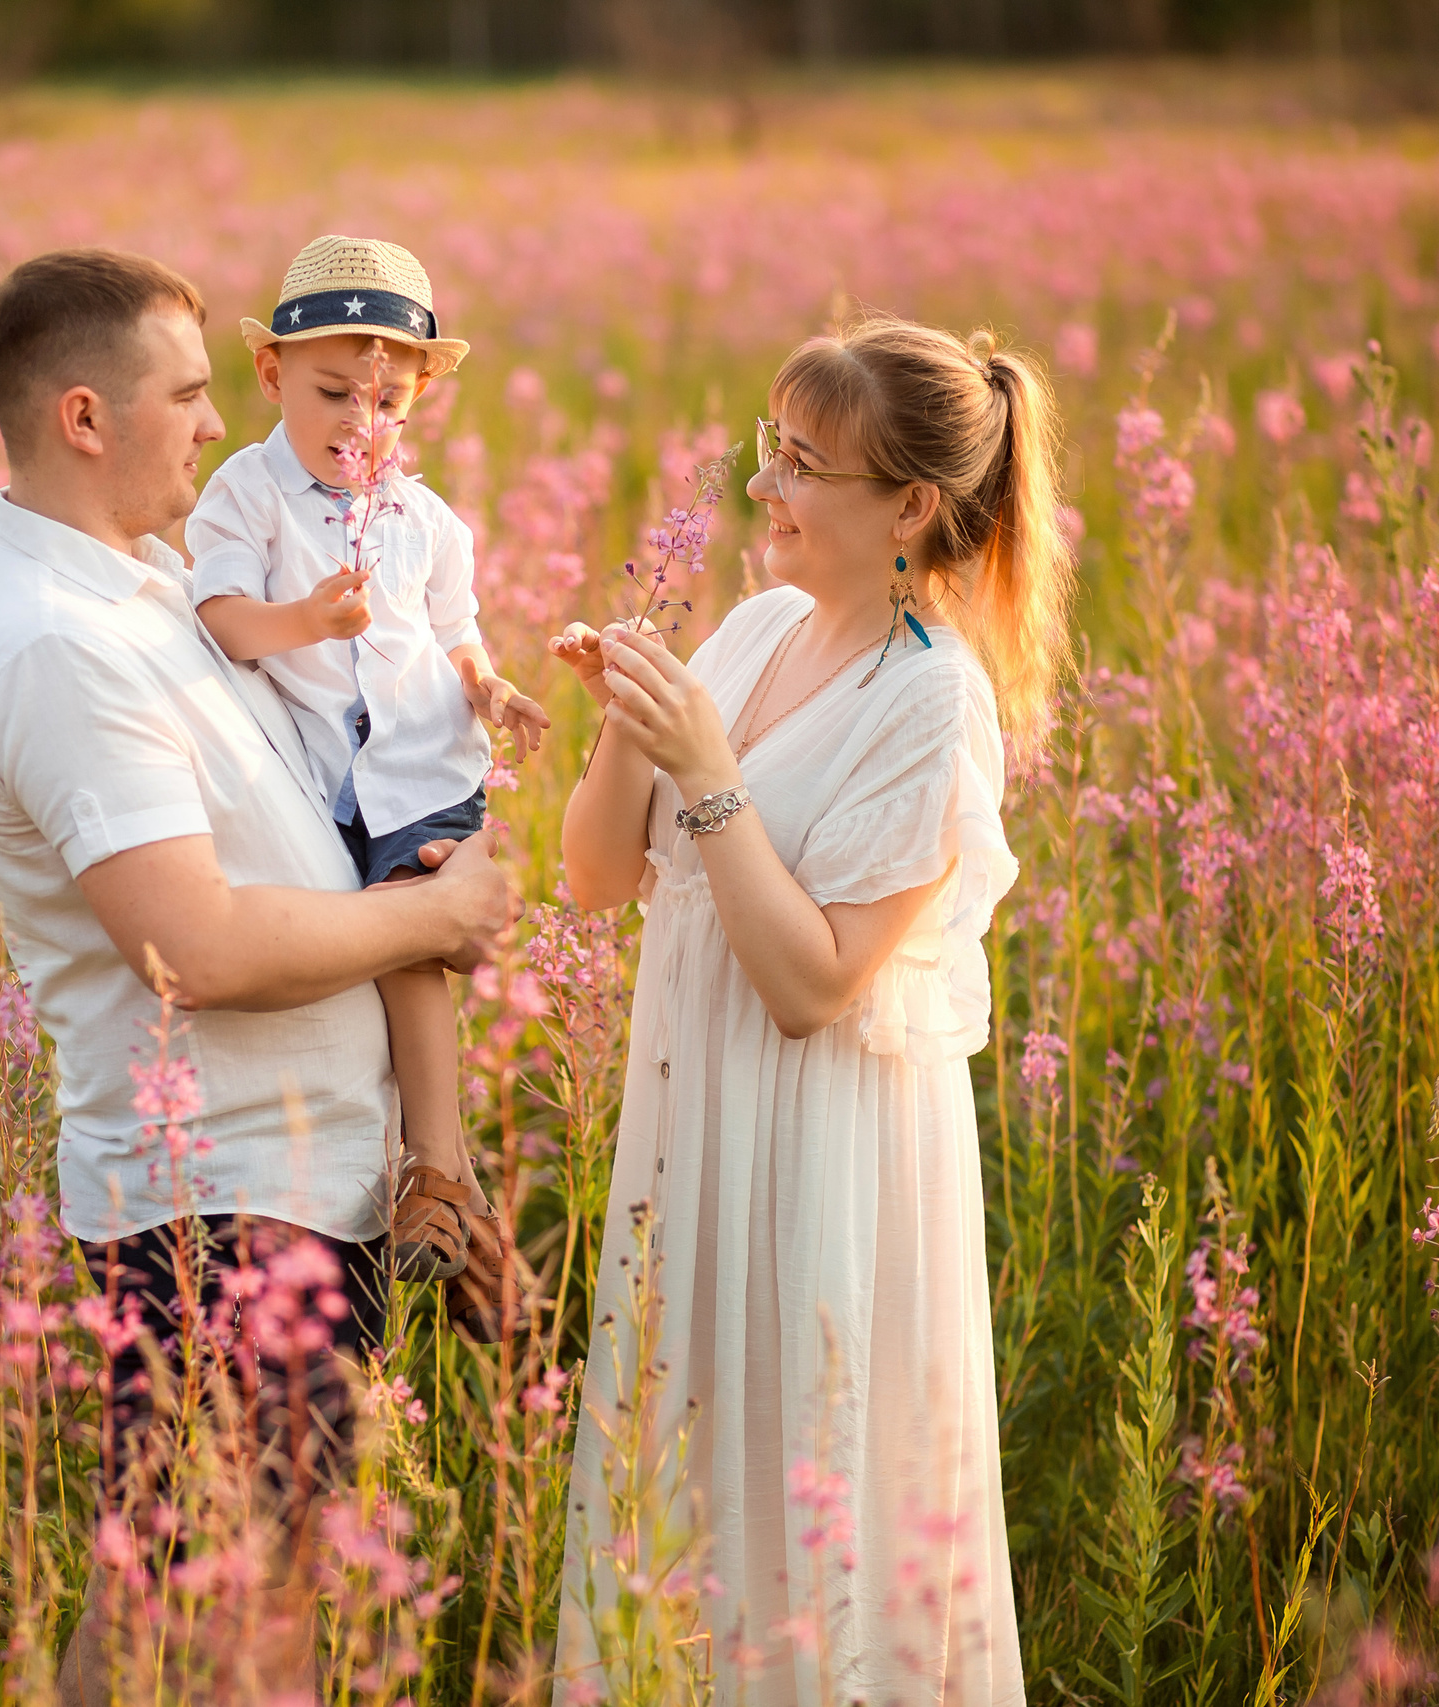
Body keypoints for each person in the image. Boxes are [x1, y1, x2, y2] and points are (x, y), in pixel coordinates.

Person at [0, 247, 519, 1705]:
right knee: (226, 1622)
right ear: (84, 417)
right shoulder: (63, 645)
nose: (216, 424)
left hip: (285, 1185)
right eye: (190, 394)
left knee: (192, 1600)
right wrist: (438, 921)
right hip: (215, 1209)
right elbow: (188, 947)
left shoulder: (143, 586)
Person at [545, 314, 1073, 1706]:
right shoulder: (758, 627)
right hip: (693, 1144)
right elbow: (592, 879)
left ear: (909, 507)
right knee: (683, 1487)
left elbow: (810, 985)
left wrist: (707, 768)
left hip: (820, 1162)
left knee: (810, 1492)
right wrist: (632, 718)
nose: (760, 487)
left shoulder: (934, 700)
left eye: (801, 467)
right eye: (769, 449)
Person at [189, 233, 548, 1339]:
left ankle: (435, 1169)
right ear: (271, 374)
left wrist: (493, 690)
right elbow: (223, 617)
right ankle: (454, 1200)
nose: (361, 421)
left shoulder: (426, 521)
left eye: (388, 402)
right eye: (334, 392)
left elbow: (455, 636)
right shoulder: (245, 493)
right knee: (380, 952)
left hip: (418, 761)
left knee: (408, 930)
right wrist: (306, 620)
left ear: (421, 396)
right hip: (316, 781)